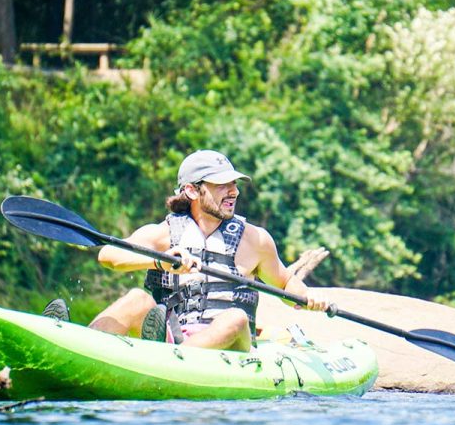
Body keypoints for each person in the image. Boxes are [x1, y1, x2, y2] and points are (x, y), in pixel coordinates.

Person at [46, 150, 330, 353]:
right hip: (174, 335)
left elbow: (284, 282)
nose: (234, 192)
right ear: (192, 191)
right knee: (136, 298)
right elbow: (108, 256)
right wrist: (161, 263)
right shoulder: (165, 233)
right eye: (222, 185)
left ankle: (171, 361)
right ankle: (75, 348)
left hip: (232, 348)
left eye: (234, 184)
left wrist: (308, 296)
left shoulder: (255, 239)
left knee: (234, 318)